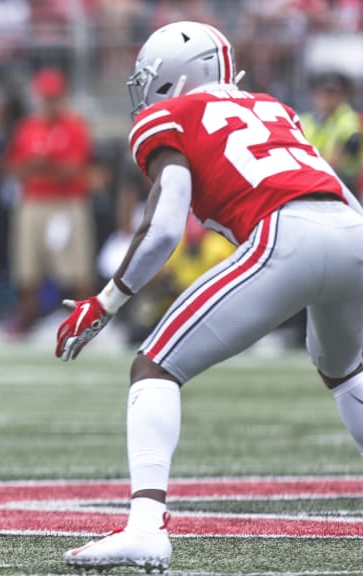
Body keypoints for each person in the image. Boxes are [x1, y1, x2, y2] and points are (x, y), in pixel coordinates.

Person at [55, 21, 363, 572]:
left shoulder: (168, 116)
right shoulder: (271, 107)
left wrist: (104, 302)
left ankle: (146, 526)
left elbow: (166, 225)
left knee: (154, 367)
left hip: (285, 237)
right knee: (345, 372)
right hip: (349, 230)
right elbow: (336, 187)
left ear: (177, 76)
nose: (143, 89)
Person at [2, 67, 94, 337]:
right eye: (45, 97)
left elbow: (74, 168)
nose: (49, 103)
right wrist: (38, 165)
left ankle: (84, 320)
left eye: (54, 97)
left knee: (76, 268)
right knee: (27, 264)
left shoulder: (74, 126)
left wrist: (43, 164)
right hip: (35, 200)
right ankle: (26, 316)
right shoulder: (29, 126)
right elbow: (14, 167)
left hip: (67, 201)